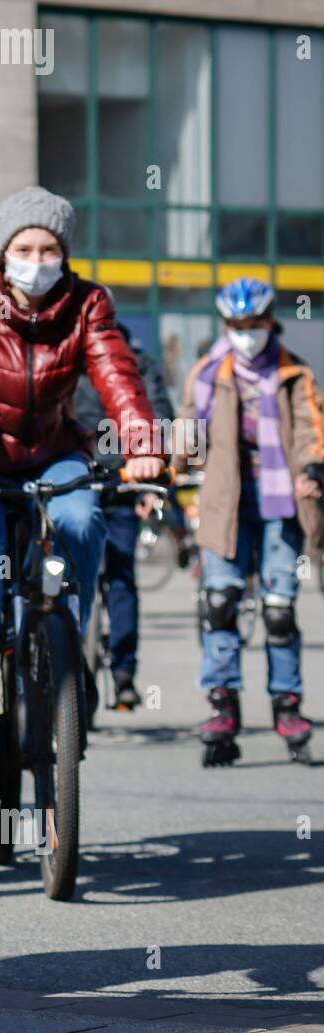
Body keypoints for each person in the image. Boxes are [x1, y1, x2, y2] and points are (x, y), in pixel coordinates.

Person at [0, 186, 164, 823]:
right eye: (24, 247)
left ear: (64, 253)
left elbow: (117, 376)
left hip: (53, 453)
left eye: (50, 248)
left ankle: (69, 638)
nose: (38, 259)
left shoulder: (86, 304)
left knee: (82, 515)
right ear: (3, 253)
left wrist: (144, 445)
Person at [177, 277, 324, 765]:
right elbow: (188, 429)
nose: (246, 333)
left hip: (280, 497)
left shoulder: (293, 372)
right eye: (236, 325)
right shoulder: (207, 372)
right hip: (225, 499)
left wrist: (311, 467)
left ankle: (287, 704)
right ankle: (223, 705)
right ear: (226, 325)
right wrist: (170, 468)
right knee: (221, 603)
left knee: (279, 609)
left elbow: (309, 426)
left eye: (254, 324)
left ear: (269, 321)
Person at [74, 320, 178, 712]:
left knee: (101, 578)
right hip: (111, 477)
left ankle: (118, 673)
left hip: (94, 477)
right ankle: (122, 676)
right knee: (117, 581)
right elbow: (160, 418)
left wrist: (154, 481)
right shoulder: (138, 362)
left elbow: (160, 419)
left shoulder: (78, 360)